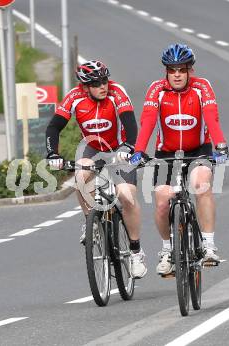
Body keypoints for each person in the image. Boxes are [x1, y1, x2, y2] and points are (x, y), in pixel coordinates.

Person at [130, 44, 229, 275]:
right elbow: (148, 121)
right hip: (167, 154)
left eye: (181, 70)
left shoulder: (202, 87)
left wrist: (221, 145)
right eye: (172, 70)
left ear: (189, 71)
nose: (176, 75)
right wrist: (138, 151)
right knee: (163, 200)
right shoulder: (156, 89)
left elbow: (212, 118)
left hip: (198, 150)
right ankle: (166, 249)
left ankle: (208, 245)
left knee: (201, 185)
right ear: (166, 71)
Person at [45, 59, 147, 279]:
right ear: (84, 86)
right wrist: (52, 153)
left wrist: (128, 146)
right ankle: (90, 221)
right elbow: (54, 126)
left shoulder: (117, 92)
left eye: (104, 80)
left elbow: (130, 122)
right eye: (96, 83)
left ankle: (136, 252)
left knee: (126, 196)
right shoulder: (74, 97)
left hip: (119, 149)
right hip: (92, 149)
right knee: (81, 177)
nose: (103, 86)